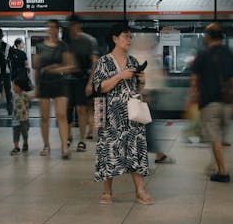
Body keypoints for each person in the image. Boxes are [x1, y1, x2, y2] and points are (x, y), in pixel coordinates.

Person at [93, 23, 153, 205]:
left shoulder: (134, 61)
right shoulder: (104, 61)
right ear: (114, 39)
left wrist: (142, 81)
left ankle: (140, 191)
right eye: (125, 36)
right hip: (110, 114)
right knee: (108, 149)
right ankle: (107, 191)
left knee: (136, 148)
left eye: (130, 36)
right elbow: (100, 86)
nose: (129, 39)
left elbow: (138, 89)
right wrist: (119, 76)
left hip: (132, 114)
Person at [188, 22, 233, 183]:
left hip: (209, 103)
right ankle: (214, 165)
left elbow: (194, 80)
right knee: (218, 137)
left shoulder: (203, 55)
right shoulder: (229, 53)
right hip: (227, 104)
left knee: (214, 138)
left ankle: (222, 172)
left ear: (208, 37)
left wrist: (192, 98)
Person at [33, 19, 76, 159]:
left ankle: (64, 147)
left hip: (60, 82)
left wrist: (56, 69)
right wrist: (36, 86)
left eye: (53, 27)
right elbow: (36, 68)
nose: (51, 30)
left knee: (61, 115)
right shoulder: (39, 46)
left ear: (58, 29)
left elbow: (71, 65)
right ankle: (46, 145)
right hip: (44, 83)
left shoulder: (64, 46)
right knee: (44, 117)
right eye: (48, 27)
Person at [133, 33, 171, 163]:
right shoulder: (141, 56)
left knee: (145, 126)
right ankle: (156, 154)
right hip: (145, 96)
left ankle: (152, 153)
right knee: (147, 127)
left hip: (147, 95)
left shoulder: (143, 55)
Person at [66, 15, 100, 153]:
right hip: (68, 79)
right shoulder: (67, 41)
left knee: (81, 110)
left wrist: (90, 83)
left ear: (78, 26)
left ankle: (81, 140)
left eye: (74, 25)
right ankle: (68, 137)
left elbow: (94, 63)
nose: (72, 29)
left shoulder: (89, 41)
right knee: (68, 110)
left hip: (83, 79)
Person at [11, 72, 33, 155]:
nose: (12, 87)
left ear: (19, 87)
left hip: (24, 119)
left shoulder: (24, 95)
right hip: (16, 119)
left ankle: (25, 143)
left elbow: (30, 99)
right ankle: (16, 146)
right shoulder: (14, 95)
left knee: (25, 133)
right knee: (15, 133)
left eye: (13, 85)